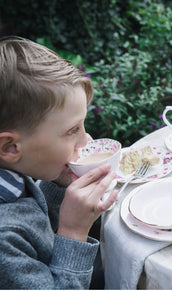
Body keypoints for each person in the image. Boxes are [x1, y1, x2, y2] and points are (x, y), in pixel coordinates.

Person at [0, 37, 118, 289]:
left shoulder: (12, 177)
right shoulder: (4, 240)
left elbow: (36, 219)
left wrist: (60, 184)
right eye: (71, 130)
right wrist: (74, 231)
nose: (85, 140)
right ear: (10, 147)